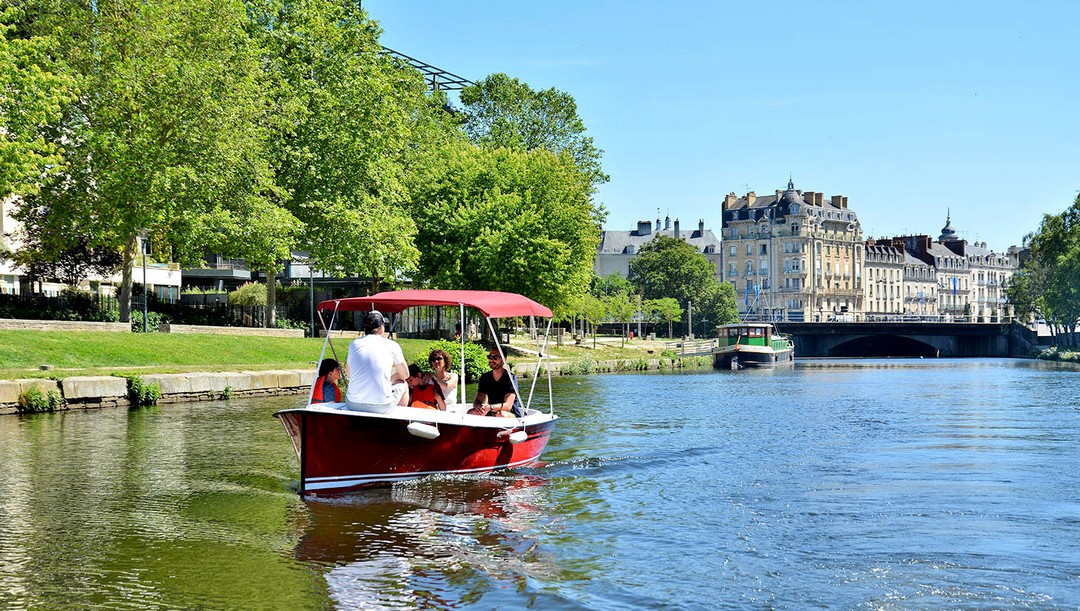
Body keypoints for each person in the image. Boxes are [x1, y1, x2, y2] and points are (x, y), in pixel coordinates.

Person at [345, 310, 409, 413]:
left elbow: (349, 374)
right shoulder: (392, 345)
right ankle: (398, 422)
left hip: (353, 404)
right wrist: (393, 378)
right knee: (404, 384)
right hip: (382, 406)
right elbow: (405, 375)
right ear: (381, 328)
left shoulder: (354, 344)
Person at [471, 349, 523, 418]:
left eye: (495, 357)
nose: (491, 360)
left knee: (501, 414)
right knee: (471, 412)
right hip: (491, 412)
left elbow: (507, 406)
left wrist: (490, 407)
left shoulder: (510, 378)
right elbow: (478, 400)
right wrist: (478, 407)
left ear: (503, 360)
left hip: (509, 414)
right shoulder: (485, 377)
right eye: (489, 357)